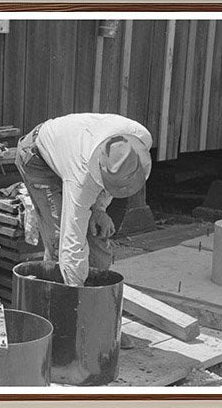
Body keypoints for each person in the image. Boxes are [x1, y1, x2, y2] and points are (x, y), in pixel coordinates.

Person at [15, 113, 153, 287]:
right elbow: (71, 242)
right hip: (37, 159)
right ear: (100, 171)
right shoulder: (80, 179)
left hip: (72, 150)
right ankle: (55, 302)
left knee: (97, 236)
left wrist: (99, 209)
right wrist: (76, 295)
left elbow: (108, 183)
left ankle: (94, 295)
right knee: (59, 242)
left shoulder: (140, 138)